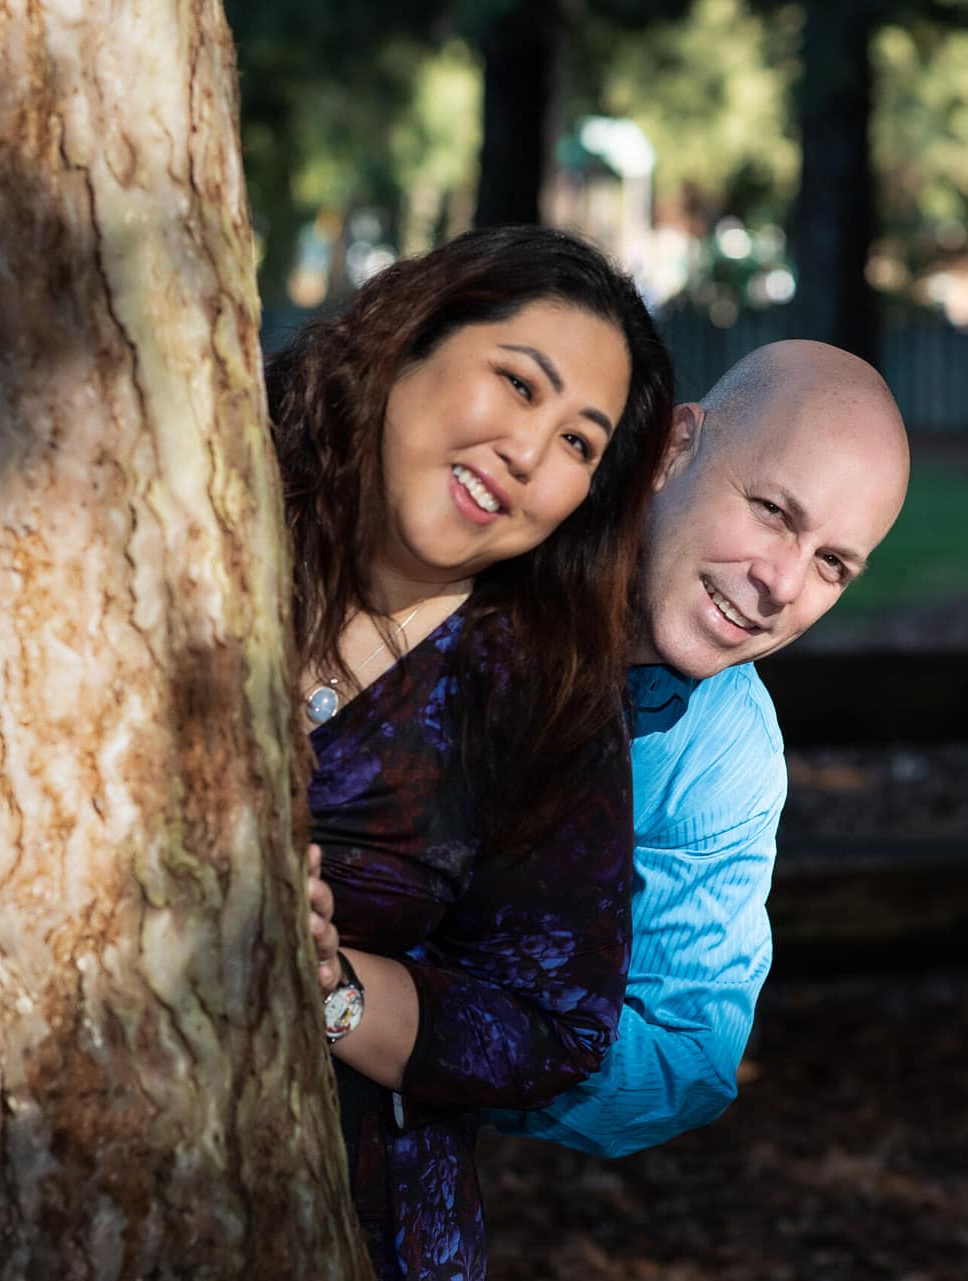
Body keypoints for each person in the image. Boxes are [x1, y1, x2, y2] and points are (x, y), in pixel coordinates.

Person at [312, 339, 911, 1158]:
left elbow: (683, 1059)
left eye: (832, 564)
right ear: (673, 446)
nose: (781, 582)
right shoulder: (494, 530)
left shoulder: (724, 752)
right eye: (773, 511)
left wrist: (423, 1013)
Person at [269, 225, 674, 1280]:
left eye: (581, 443)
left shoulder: (542, 698)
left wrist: (325, 989)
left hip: (355, 1228)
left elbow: (551, 1025)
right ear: (406, 345)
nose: (531, 455)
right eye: (517, 385)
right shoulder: (192, 522)